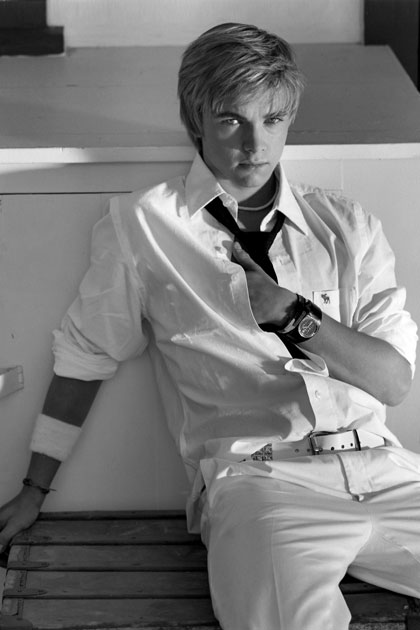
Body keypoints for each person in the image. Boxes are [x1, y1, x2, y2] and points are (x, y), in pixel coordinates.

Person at [0, 21, 419, 630]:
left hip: (388, 472)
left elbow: (394, 381)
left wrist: (293, 315)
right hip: (262, 484)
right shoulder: (145, 226)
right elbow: (86, 356)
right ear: (194, 119)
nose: (255, 143)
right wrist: (34, 491)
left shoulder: (347, 225)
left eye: (273, 120)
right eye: (231, 120)